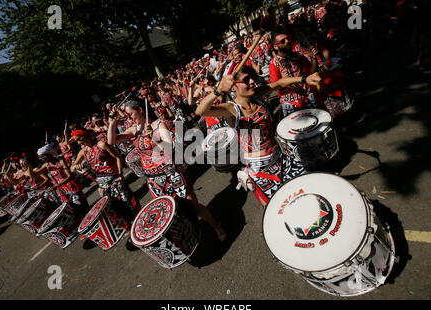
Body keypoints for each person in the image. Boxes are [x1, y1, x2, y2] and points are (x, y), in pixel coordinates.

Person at [196, 65, 321, 207]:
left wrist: (305, 78)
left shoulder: (257, 96)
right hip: (260, 172)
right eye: (246, 80)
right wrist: (218, 90)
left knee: (309, 192)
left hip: (280, 159)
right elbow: (201, 111)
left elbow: (279, 83)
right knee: (280, 209)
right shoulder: (231, 109)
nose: (252, 82)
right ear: (233, 87)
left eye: (251, 78)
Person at [107, 100, 227, 241]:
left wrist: (154, 137)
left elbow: (170, 149)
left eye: (130, 114)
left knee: (193, 205)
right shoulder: (135, 129)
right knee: (170, 213)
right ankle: (189, 236)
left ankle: (215, 225)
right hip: (154, 180)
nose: (128, 118)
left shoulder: (159, 125)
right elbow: (111, 141)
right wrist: (112, 121)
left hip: (171, 175)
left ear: (140, 109)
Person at [69, 128, 140, 222]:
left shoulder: (101, 144)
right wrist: (75, 166)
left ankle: (140, 222)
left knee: (129, 203)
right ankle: (131, 227)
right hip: (102, 185)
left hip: (115, 179)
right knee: (117, 208)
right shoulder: (83, 152)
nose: (78, 143)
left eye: (78, 140)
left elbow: (117, 157)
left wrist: (120, 175)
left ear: (84, 136)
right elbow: (71, 168)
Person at [269, 28, 319, 119]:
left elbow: (311, 74)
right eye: (283, 41)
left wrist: (313, 59)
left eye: (288, 38)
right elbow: (274, 87)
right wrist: (283, 81)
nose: (287, 41)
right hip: (290, 102)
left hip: (307, 96)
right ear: (276, 46)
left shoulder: (298, 56)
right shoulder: (273, 64)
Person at [35, 144, 88, 211]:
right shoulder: (46, 165)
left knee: (82, 208)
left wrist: (57, 186)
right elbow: (34, 175)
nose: (42, 160)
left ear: (48, 154)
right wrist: (29, 167)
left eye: (42, 157)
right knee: (72, 210)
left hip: (70, 188)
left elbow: (70, 176)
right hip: (61, 192)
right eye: (40, 158)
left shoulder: (60, 161)